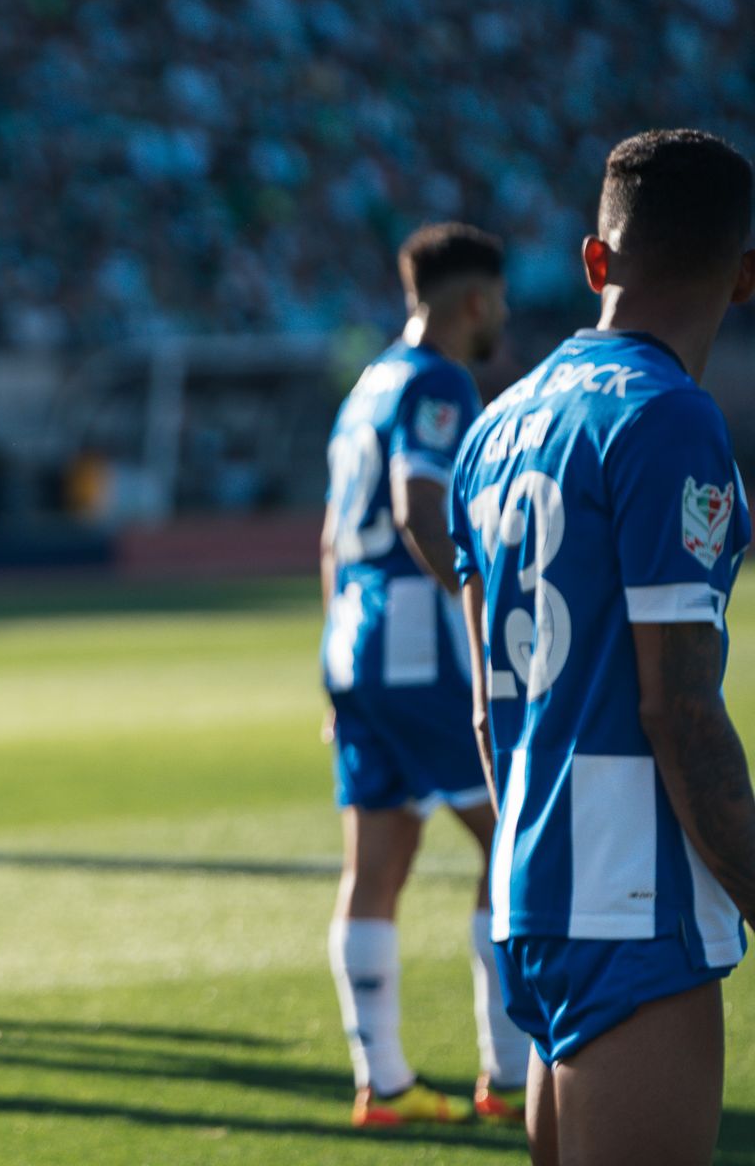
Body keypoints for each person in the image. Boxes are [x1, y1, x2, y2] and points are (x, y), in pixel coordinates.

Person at [449, 129, 755, 1166]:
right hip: (633, 887)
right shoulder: (671, 418)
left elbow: (488, 709)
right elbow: (679, 704)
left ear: (594, 261)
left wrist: (521, 862)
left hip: (537, 874)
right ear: (744, 277)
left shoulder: (494, 426)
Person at [319, 222, 527, 1126]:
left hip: (351, 643)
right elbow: (419, 506)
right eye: (501, 303)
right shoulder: (441, 379)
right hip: (415, 643)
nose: (503, 319)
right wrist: (486, 611)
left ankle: (385, 1082)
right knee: (510, 839)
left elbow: (331, 537)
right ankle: (511, 1073)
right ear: (475, 300)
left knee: (377, 865)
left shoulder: (368, 383)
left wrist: (330, 660)